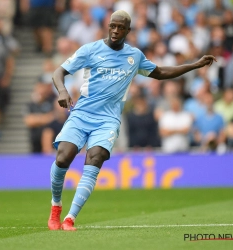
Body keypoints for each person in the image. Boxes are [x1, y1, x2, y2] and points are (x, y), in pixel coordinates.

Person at [48, 10, 217, 231]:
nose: (116, 31)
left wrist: (194, 65)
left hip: (107, 120)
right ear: (108, 26)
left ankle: (70, 218)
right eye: (113, 26)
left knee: (95, 158)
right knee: (63, 158)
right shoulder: (90, 49)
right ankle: (56, 208)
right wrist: (62, 91)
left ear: (129, 30)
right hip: (81, 114)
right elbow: (58, 72)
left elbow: (161, 72)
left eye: (121, 27)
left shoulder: (134, 56)